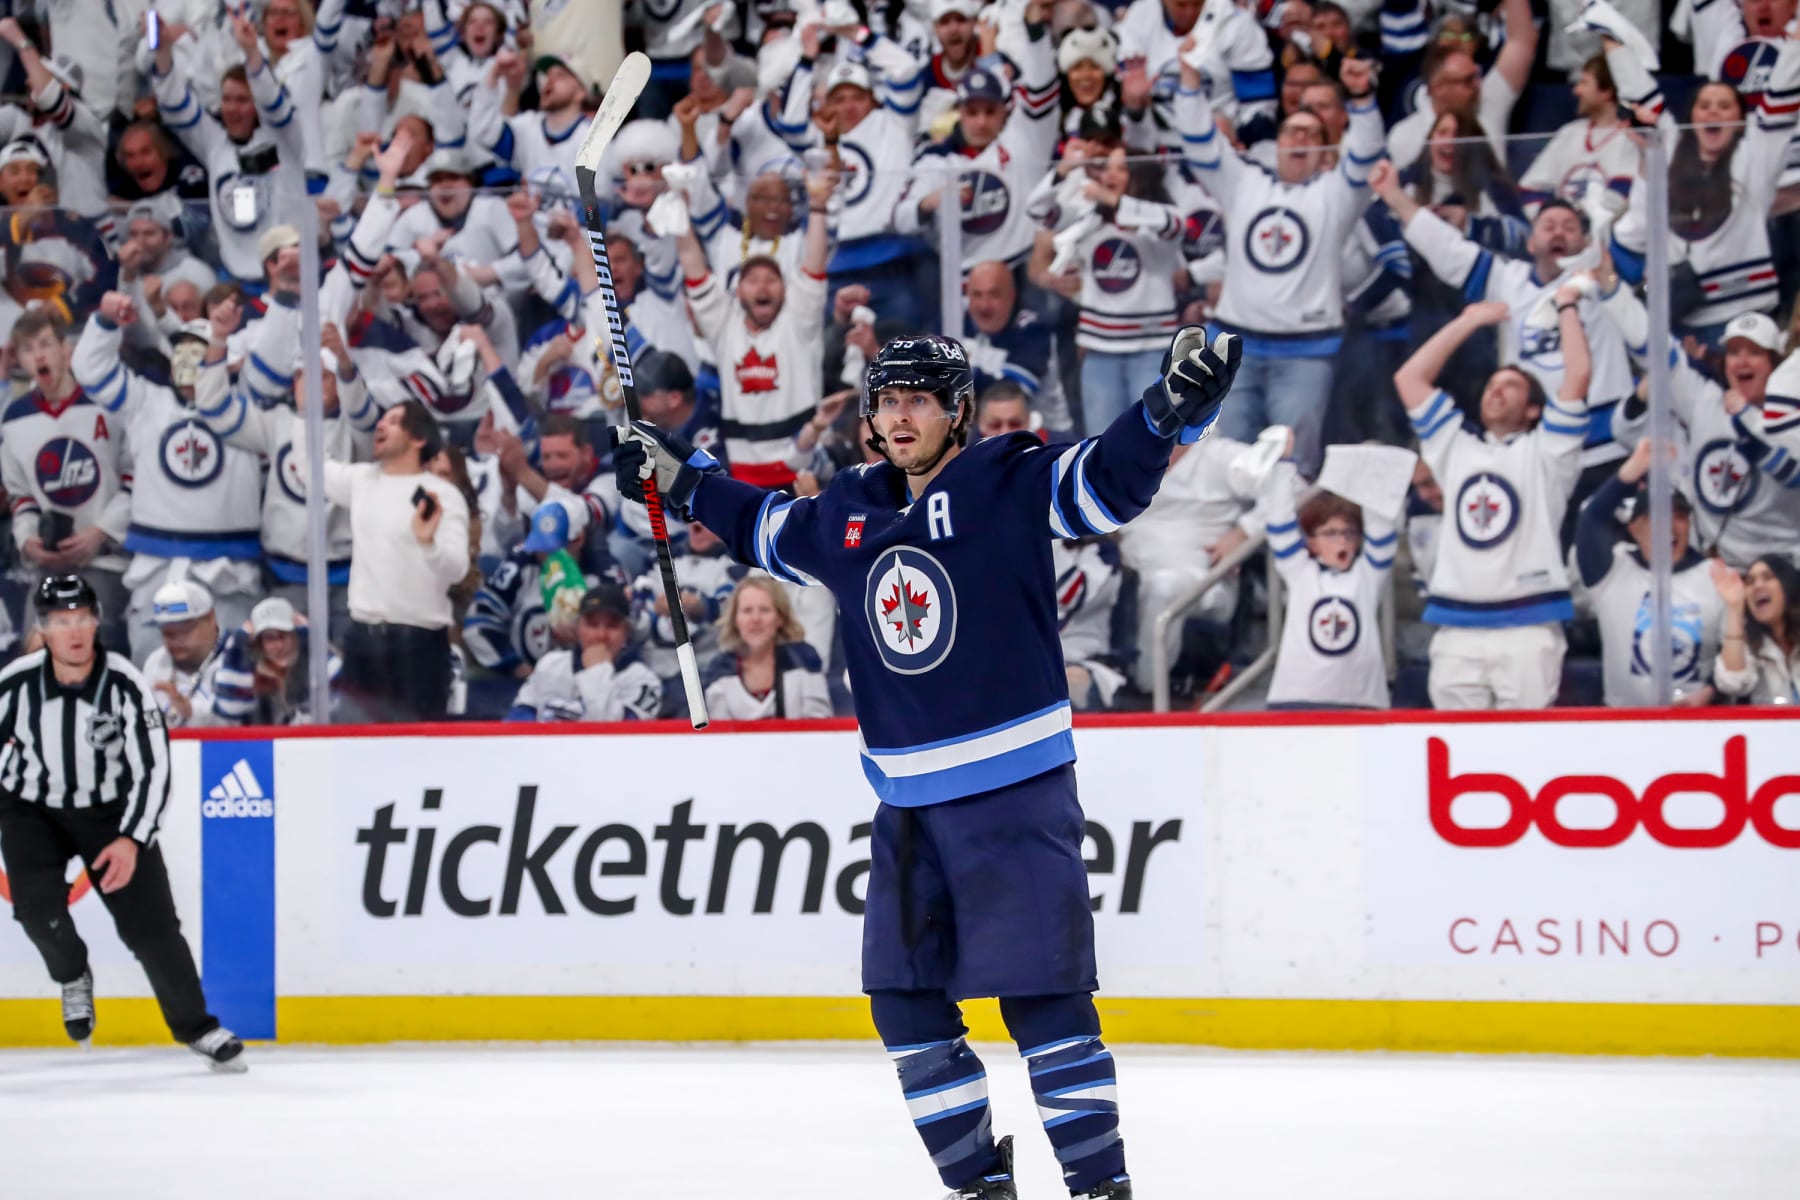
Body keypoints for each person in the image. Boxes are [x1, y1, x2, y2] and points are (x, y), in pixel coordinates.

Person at [612, 322, 1243, 1200]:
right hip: (907, 809)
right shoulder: (848, 510)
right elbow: (762, 527)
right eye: (887, 402)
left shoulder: (1007, 478)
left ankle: (1100, 1187)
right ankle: (979, 1182)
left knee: (1044, 1005)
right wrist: (680, 479)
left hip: (1016, 796)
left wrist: (1169, 411)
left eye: (918, 401)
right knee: (903, 1004)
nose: (900, 418)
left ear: (957, 412)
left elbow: (1103, 482)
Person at [0, 575, 243, 1070]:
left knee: (153, 929)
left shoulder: (127, 683)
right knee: (36, 911)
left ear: (96, 621)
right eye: (61, 622)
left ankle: (198, 1028)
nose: (74, 632)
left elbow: (154, 769)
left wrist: (132, 839)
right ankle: (73, 975)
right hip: (31, 810)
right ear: (43, 629)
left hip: (110, 815)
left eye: (81, 619)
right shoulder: (16, 683)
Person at [1176, 52, 1381, 475]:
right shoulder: (1244, 182)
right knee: (1224, 460)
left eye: (1311, 134)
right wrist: (1189, 80)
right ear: (1278, 142)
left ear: (1327, 150)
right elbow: (1199, 141)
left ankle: (1282, 541)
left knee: (1291, 463)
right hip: (1233, 349)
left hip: (1306, 352)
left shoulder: (1338, 194)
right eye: (1292, 132)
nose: (1300, 140)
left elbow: (1365, 155)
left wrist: (1361, 99)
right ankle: (1235, 540)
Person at [1395, 293, 1591, 710]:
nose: (1496, 391)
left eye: (1511, 386)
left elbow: (1577, 377)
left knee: (1522, 758)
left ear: (1535, 409)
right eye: (1492, 384)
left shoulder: (1549, 453)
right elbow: (1409, 379)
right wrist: (1468, 321)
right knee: (1456, 762)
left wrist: (1567, 307)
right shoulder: (1454, 446)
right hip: (1456, 625)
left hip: (1529, 624)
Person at [76, 292, 267, 663]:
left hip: (227, 575)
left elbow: (274, 360)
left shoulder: (246, 405)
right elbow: (89, 369)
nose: (187, 361)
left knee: (230, 680)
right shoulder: (146, 402)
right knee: (153, 682)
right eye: (180, 351)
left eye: (199, 352)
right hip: (156, 570)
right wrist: (105, 319)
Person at [290, 397, 471, 723]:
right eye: (382, 420)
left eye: (394, 420)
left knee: (417, 753)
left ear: (418, 439)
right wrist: (305, 410)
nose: (380, 425)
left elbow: (457, 570)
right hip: (362, 643)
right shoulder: (363, 481)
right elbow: (309, 469)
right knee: (358, 752)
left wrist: (428, 543)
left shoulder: (442, 495)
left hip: (418, 647)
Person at [673, 162, 833, 488]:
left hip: (803, 474)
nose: (762, 288)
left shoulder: (799, 324)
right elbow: (695, 270)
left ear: (785, 290)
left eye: (771, 280)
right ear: (739, 291)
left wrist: (817, 207)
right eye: (753, 280)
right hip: (745, 479)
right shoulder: (725, 328)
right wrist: (677, 217)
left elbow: (814, 268)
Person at [1, 309, 131, 650]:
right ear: (19, 360)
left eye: (45, 344)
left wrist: (101, 533)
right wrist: (29, 541)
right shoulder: (15, 419)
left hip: (107, 560)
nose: (39, 355)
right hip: (48, 567)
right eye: (28, 349)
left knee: (95, 647)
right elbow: (22, 497)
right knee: (33, 652)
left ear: (66, 349)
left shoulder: (108, 404)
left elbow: (136, 480)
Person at [1574, 439, 1723, 708]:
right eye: (1656, 517)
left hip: (1695, 723)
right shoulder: (1613, 571)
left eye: (1678, 516)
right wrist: (1627, 475)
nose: (1669, 525)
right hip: (1623, 725)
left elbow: (1737, 651)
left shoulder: (1716, 576)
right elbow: (1589, 519)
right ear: (1633, 528)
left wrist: (1710, 691)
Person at [1263, 465, 1398, 709]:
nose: (1342, 541)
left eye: (1349, 533)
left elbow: (1381, 530)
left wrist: (1374, 469)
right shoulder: (1300, 573)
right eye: (1332, 533)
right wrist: (1282, 467)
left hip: (1360, 703)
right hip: (1296, 702)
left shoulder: (1367, 576)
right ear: (1312, 543)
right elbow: (1279, 523)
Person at [505, 583, 664, 721]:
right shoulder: (551, 664)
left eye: (612, 626)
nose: (601, 635)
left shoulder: (643, 682)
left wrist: (596, 670)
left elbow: (617, 738)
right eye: (592, 625)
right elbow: (517, 721)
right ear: (577, 628)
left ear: (626, 632)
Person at [701, 575, 832, 719]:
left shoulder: (803, 659)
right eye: (747, 611)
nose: (756, 619)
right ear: (735, 619)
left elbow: (820, 726)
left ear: (780, 618)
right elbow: (718, 736)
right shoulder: (720, 670)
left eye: (764, 610)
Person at [213, 597, 334, 726]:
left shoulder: (311, 663)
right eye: (270, 638)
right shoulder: (245, 670)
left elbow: (339, 704)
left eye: (285, 635)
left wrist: (311, 643)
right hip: (261, 744)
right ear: (258, 643)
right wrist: (238, 647)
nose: (279, 645)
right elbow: (230, 708)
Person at [141, 574, 227, 728]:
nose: (175, 640)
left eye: (184, 630)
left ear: (210, 618)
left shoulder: (236, 659)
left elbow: (240, 723)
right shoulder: (156, 662)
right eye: (167, 632)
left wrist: (190, 711)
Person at [1712, 554, 1800, 704]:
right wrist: (1734, 606)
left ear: (1788, 585)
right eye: (1750, 581)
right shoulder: (1747, 643)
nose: (1758, 586)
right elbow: (1732, 683)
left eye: (1768, 577)